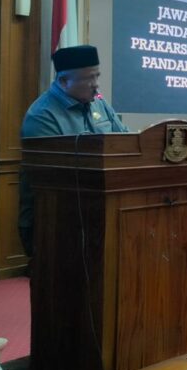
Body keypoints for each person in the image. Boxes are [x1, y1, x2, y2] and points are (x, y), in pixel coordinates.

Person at [19, 45, 130, 258]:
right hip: (55, 220)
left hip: (101, 213)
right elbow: (55, 177)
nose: (96, 84)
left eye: (97, 76)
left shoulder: (99, 104)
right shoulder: (42, 115)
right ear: (63, 81)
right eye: (88, 78)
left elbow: (126, 142)